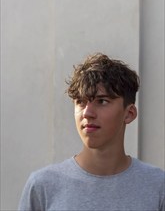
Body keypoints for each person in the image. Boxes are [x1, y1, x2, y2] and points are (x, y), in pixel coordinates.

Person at [18, 53, 165, 211]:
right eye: (80, 102)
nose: (87, 113)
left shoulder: (157, 186)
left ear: (129, 114)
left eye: (102, 101)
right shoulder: (42, 186)